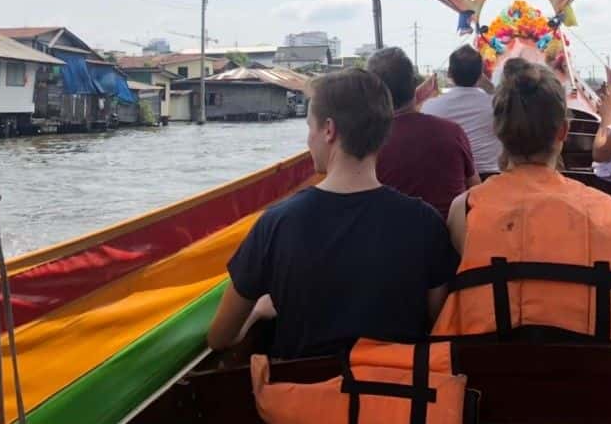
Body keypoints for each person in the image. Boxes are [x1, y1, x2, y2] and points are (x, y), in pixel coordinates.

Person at [207, 69, 460, 359]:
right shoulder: (425, 223)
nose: (308, 140)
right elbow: (438, 322)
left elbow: (220, 337)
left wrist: (259, 311)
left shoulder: (276, 224)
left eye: (309, 127)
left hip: (305, 399)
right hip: (397, 398)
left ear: (328, 130)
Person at [434, 62, 611, 347]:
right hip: (591, 378)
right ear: (563, 132)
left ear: (497, 131)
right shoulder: (609, 210)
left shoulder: (465, 208)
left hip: (490, 378)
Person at [368, 47, 480, 216]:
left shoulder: (368, 143)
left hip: (390, 237)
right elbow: (475, 188)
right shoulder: (452, 132)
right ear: (414, 85)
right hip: (448, 237)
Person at [421, 45, 503, 175]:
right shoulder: (498, 104)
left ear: (449, 72)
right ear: (481, 74)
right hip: (492, 176)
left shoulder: (431, 107)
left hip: (453, 179)